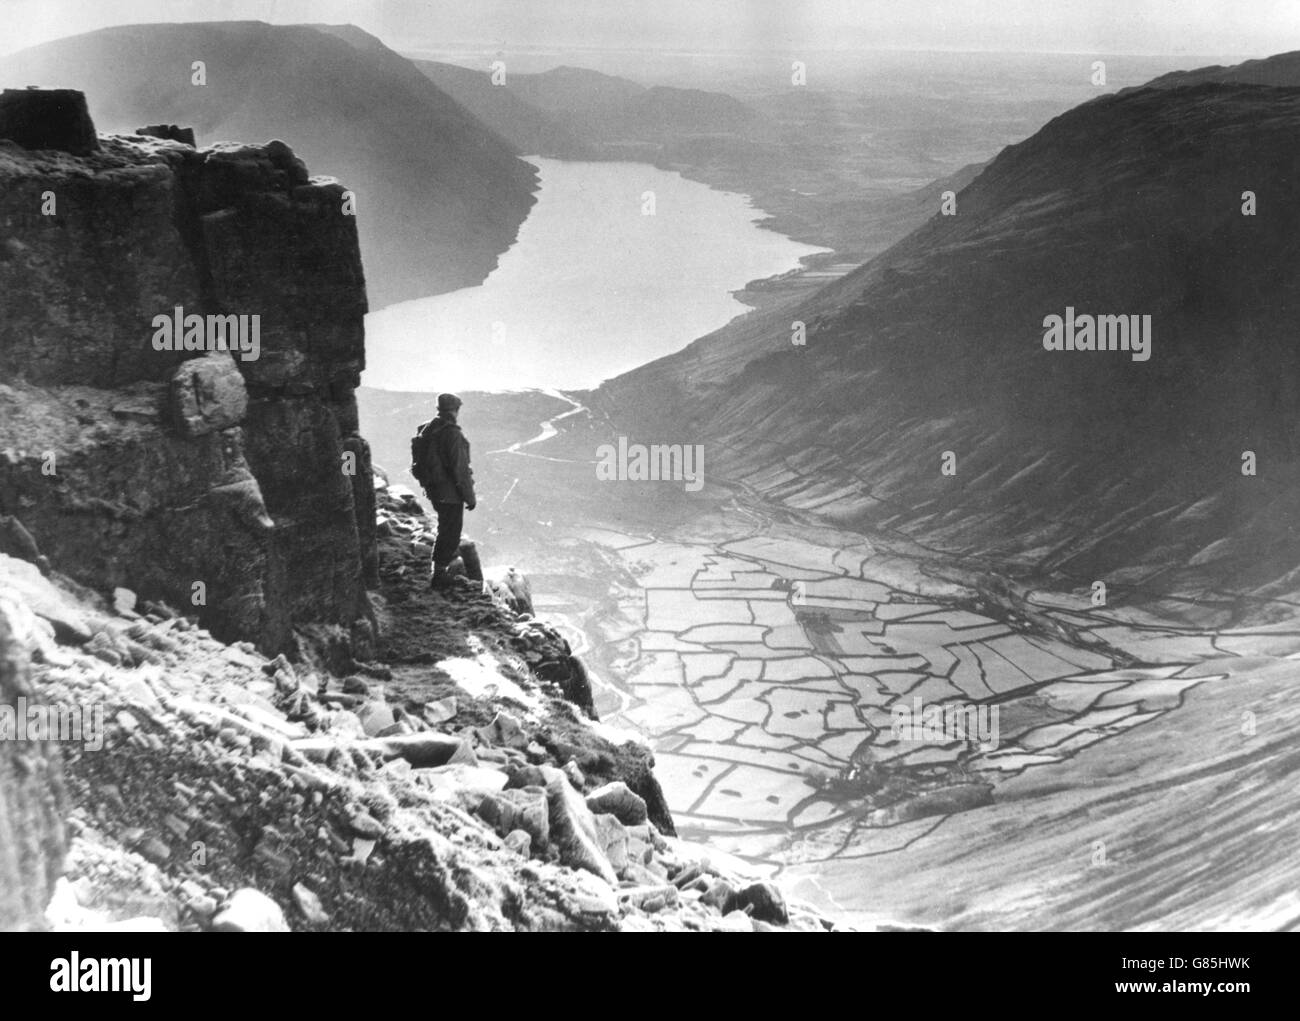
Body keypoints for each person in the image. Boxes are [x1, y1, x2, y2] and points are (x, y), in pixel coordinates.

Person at [414, 393, 476, 589]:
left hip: (434, 488)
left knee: (444, 529)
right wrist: (469, 497)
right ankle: (439, 575)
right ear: (455, 410)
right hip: (449, 492)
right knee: (450, 532)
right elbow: (460, 468)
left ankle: (439, 572)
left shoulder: (429, 429)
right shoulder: (452, 433)